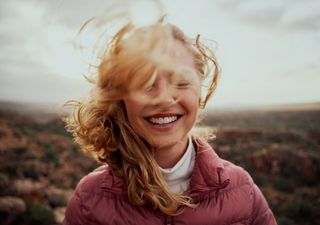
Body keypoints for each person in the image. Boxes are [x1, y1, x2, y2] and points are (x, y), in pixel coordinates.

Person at [63, 18, 277, 225]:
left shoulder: (242, 193)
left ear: (199, 94)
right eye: (145, 83)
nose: (164, 98)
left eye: (181, 82)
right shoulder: (89, 200)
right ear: (121, 99)